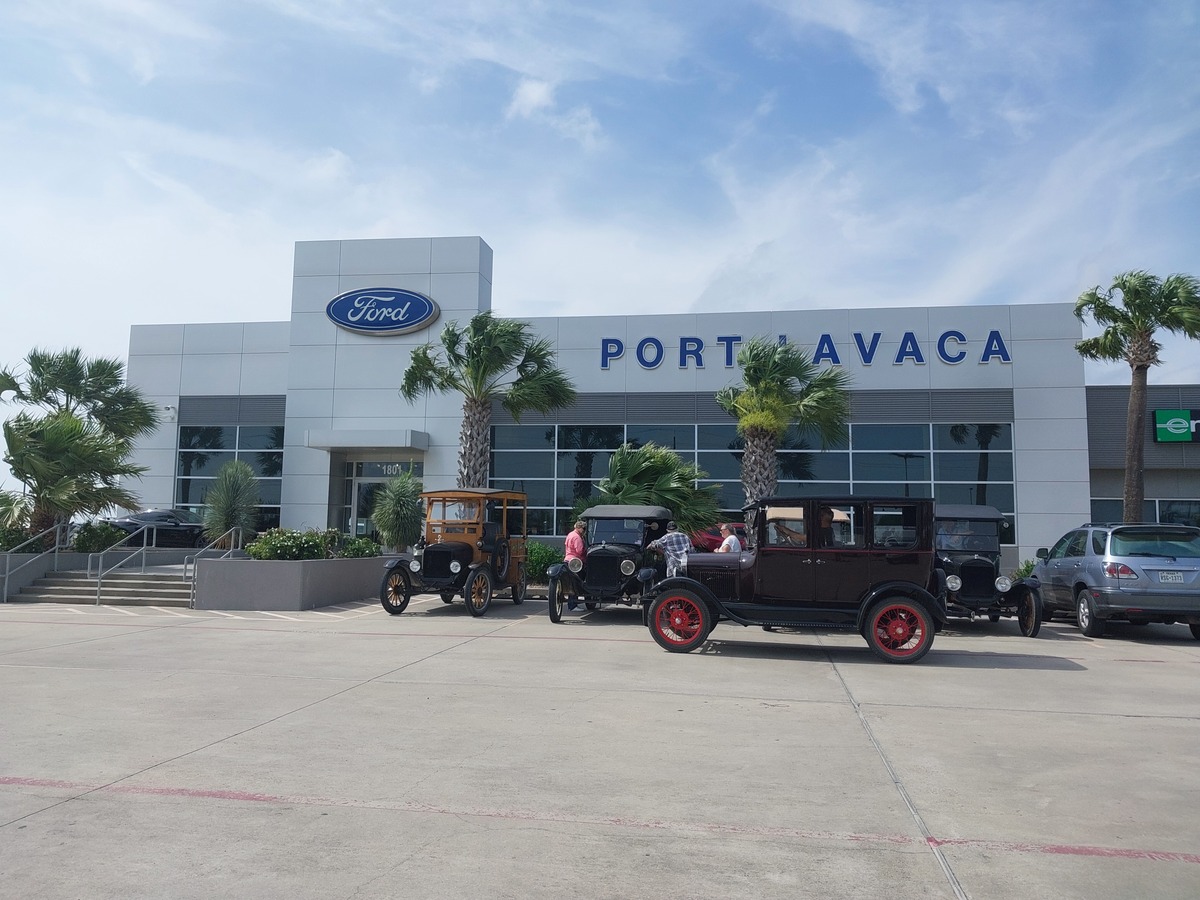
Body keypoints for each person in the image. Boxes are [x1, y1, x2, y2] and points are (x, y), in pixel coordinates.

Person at [562, 519, 586, 609]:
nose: (584, 531)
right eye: (584, 529)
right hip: (575, 563)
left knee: (571, 582)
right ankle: (573, 604)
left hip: (568, 560)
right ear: (580, 528)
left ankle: (573, 603)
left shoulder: (570, 534)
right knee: (576, 583)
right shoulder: (577, 537)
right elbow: (580, 551)